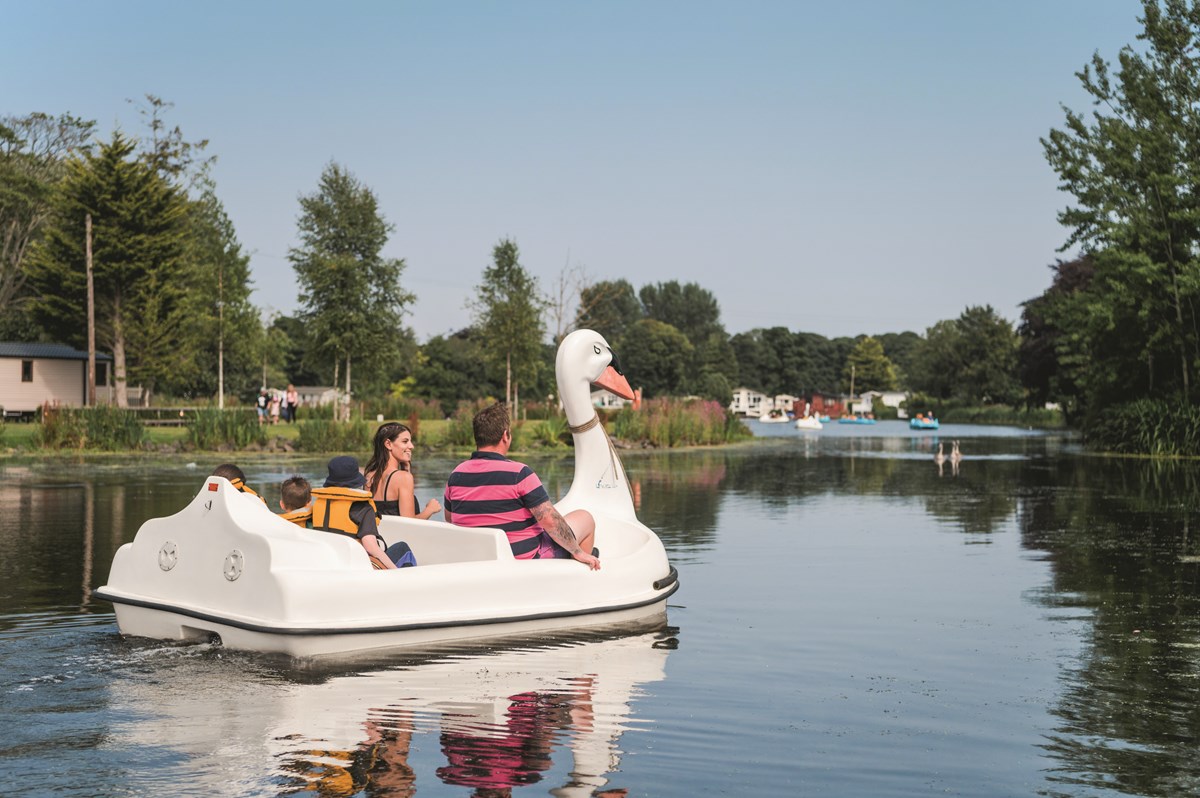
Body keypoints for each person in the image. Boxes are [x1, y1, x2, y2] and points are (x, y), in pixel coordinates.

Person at [443, 403, 600, 570]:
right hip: (523, 560)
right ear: (505, 436)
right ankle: (579, 576)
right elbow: (550, 521)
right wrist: (576, 550)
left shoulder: (456, 475)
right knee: (585, 519)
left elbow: (450, 518)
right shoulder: (519, 474)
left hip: (477, 558)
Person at [310, 455, 417, 569]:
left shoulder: (319, 504)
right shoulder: (362, 507)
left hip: (332, 564)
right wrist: (395, 571)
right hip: (359, 567)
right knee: (402, 548)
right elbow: (370, 546)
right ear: (355, 480)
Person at [364, 422, 442, 519]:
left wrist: (406, 470)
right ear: (388, 444)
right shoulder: (403, 478)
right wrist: (430, 510)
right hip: (397, 534)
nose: (411, 446)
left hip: (377, 533)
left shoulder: (369, 476)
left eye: (410, 441)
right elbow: (409, 523)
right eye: (405, 442)